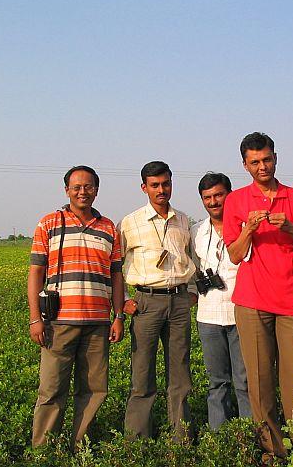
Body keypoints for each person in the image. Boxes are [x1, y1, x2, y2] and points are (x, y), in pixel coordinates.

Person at [223, 133, 293, 460]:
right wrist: (248, 229)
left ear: (275, 157)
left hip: (292, 301)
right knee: (260, 382)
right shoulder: (236, 201)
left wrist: (291, 228)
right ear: (245, 165)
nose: (262, 166)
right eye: (255, 162)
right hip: (251, 302)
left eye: (266, 159)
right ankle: (272, 448)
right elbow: (235, 255)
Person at [28, 165, 125, 449]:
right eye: (77, 187)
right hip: (58, 321)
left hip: (98, 323)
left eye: (89, 186)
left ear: (97, 189)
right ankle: (44, 448)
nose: (83, 192)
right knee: (51, 388)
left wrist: (118, 315)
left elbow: (116, 275)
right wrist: (36, 318)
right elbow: (35, 272)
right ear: (67, 190)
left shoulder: (109, 228)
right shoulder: (49, 223)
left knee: (94, 389)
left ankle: (78, 444)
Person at [119, 160, 197, 441]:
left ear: (171, 184)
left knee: (180, 372)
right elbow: (114, 265)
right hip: (146, 302)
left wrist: (192, 291)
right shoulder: (130, 222)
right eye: (154, 185)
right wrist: (125, 299)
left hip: (178, 302)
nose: (161, 190)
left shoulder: (184, 220)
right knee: (142, 373)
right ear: (144, 188)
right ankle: (137, 439)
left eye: (165, 184)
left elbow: (192, 259)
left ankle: (181, 436)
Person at [190, 172, 252, 431]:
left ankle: (252, 433)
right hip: (208, 316)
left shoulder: (245, 227)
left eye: (218, 195)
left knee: (245, 381)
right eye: (207, 197)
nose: (213, 202)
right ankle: (220, 437)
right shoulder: (195, 232)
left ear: (230, 194)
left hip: (242, 311)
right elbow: (192, 271)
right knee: (217, 381)